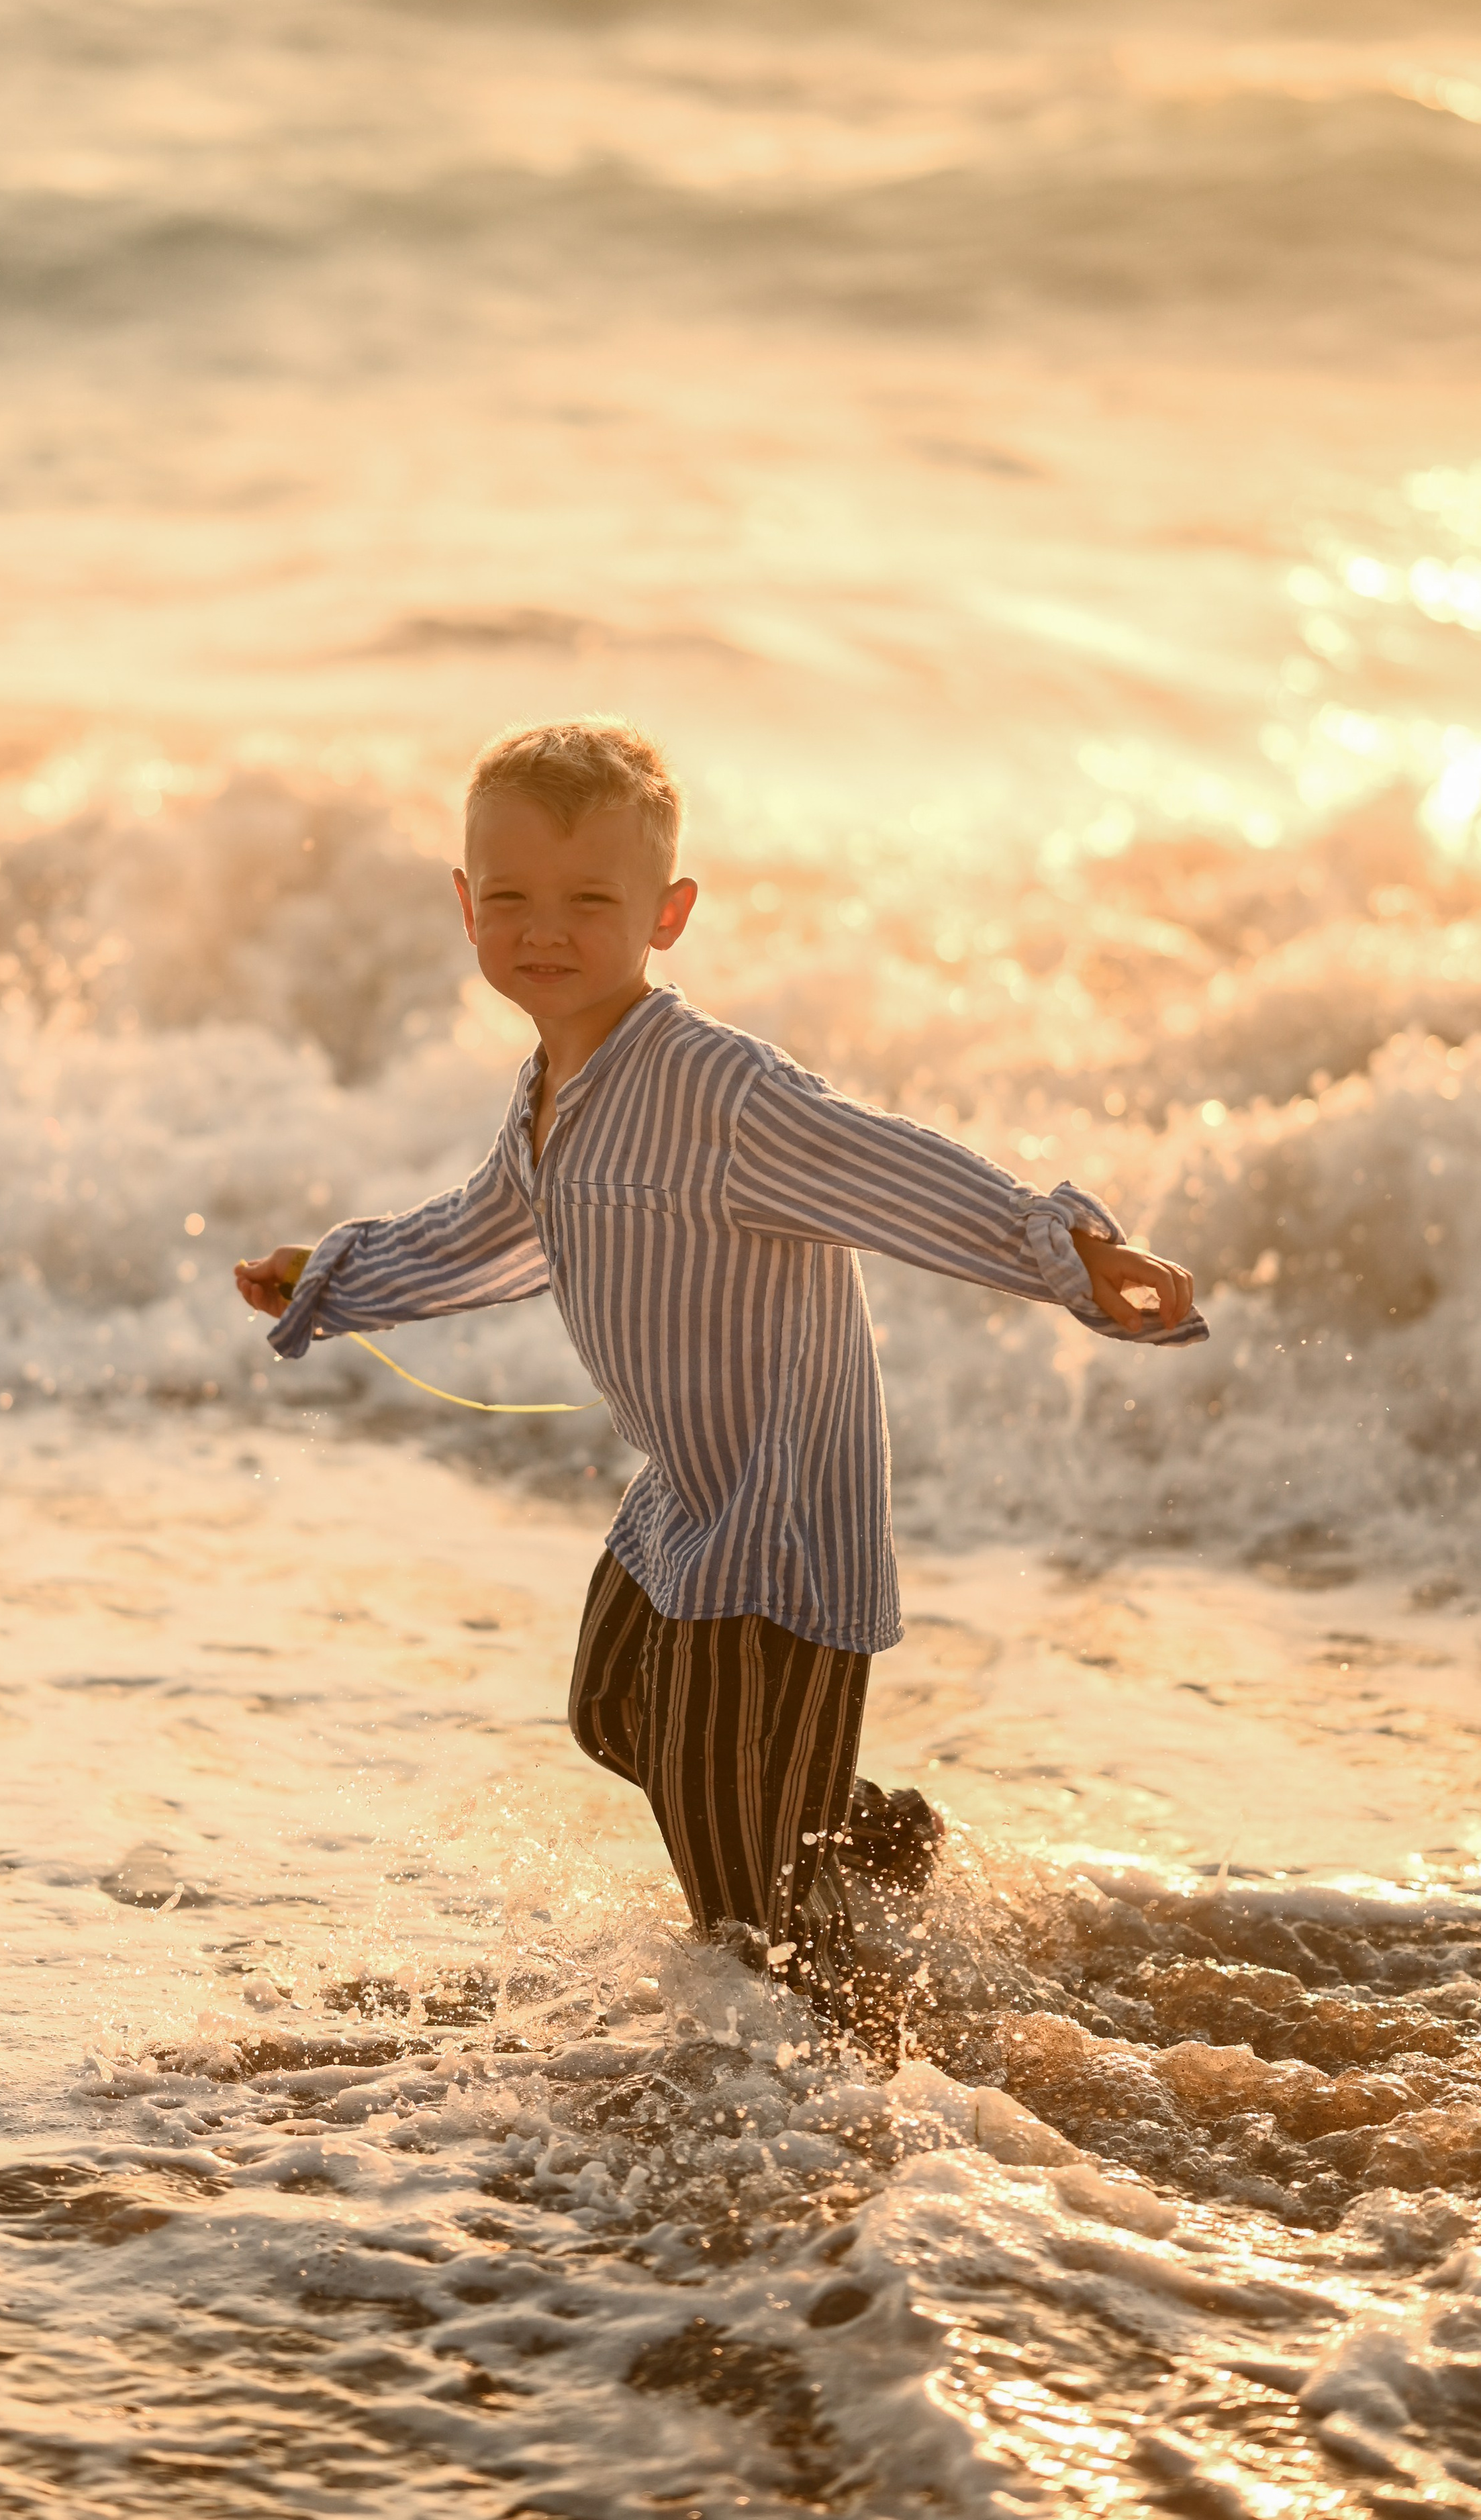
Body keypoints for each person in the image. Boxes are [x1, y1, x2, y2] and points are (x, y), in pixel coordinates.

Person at [236, 720, 1206, 2011]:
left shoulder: (715, 1087)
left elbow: (882, 1165)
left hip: (779, 1514)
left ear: (667, 914)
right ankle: (872, 1840)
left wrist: (1064, 1250)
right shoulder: (554, 1085)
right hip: (691, 1492)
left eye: (592, 900)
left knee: (745, 1914)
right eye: (513, 897)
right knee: (612, 1713)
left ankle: (841, 2094)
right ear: (466, 907)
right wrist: (339, 1278)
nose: (545, 928)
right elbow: (491, 1229)